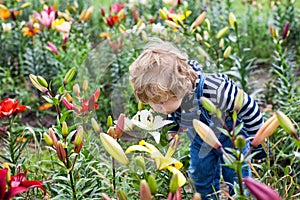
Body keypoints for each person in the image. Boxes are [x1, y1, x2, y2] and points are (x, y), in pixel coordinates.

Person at [129, 39, 264, 199]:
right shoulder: (172, 97)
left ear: (181, 87)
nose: (160, 109)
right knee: (201, 176)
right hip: (200, 140)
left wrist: (257, 140)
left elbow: (249, 108)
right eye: (154, 105)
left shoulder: (216, 89)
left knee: (236, 176)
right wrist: (173, 129)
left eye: (162, 103)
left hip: (231, 137)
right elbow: (171, 113)